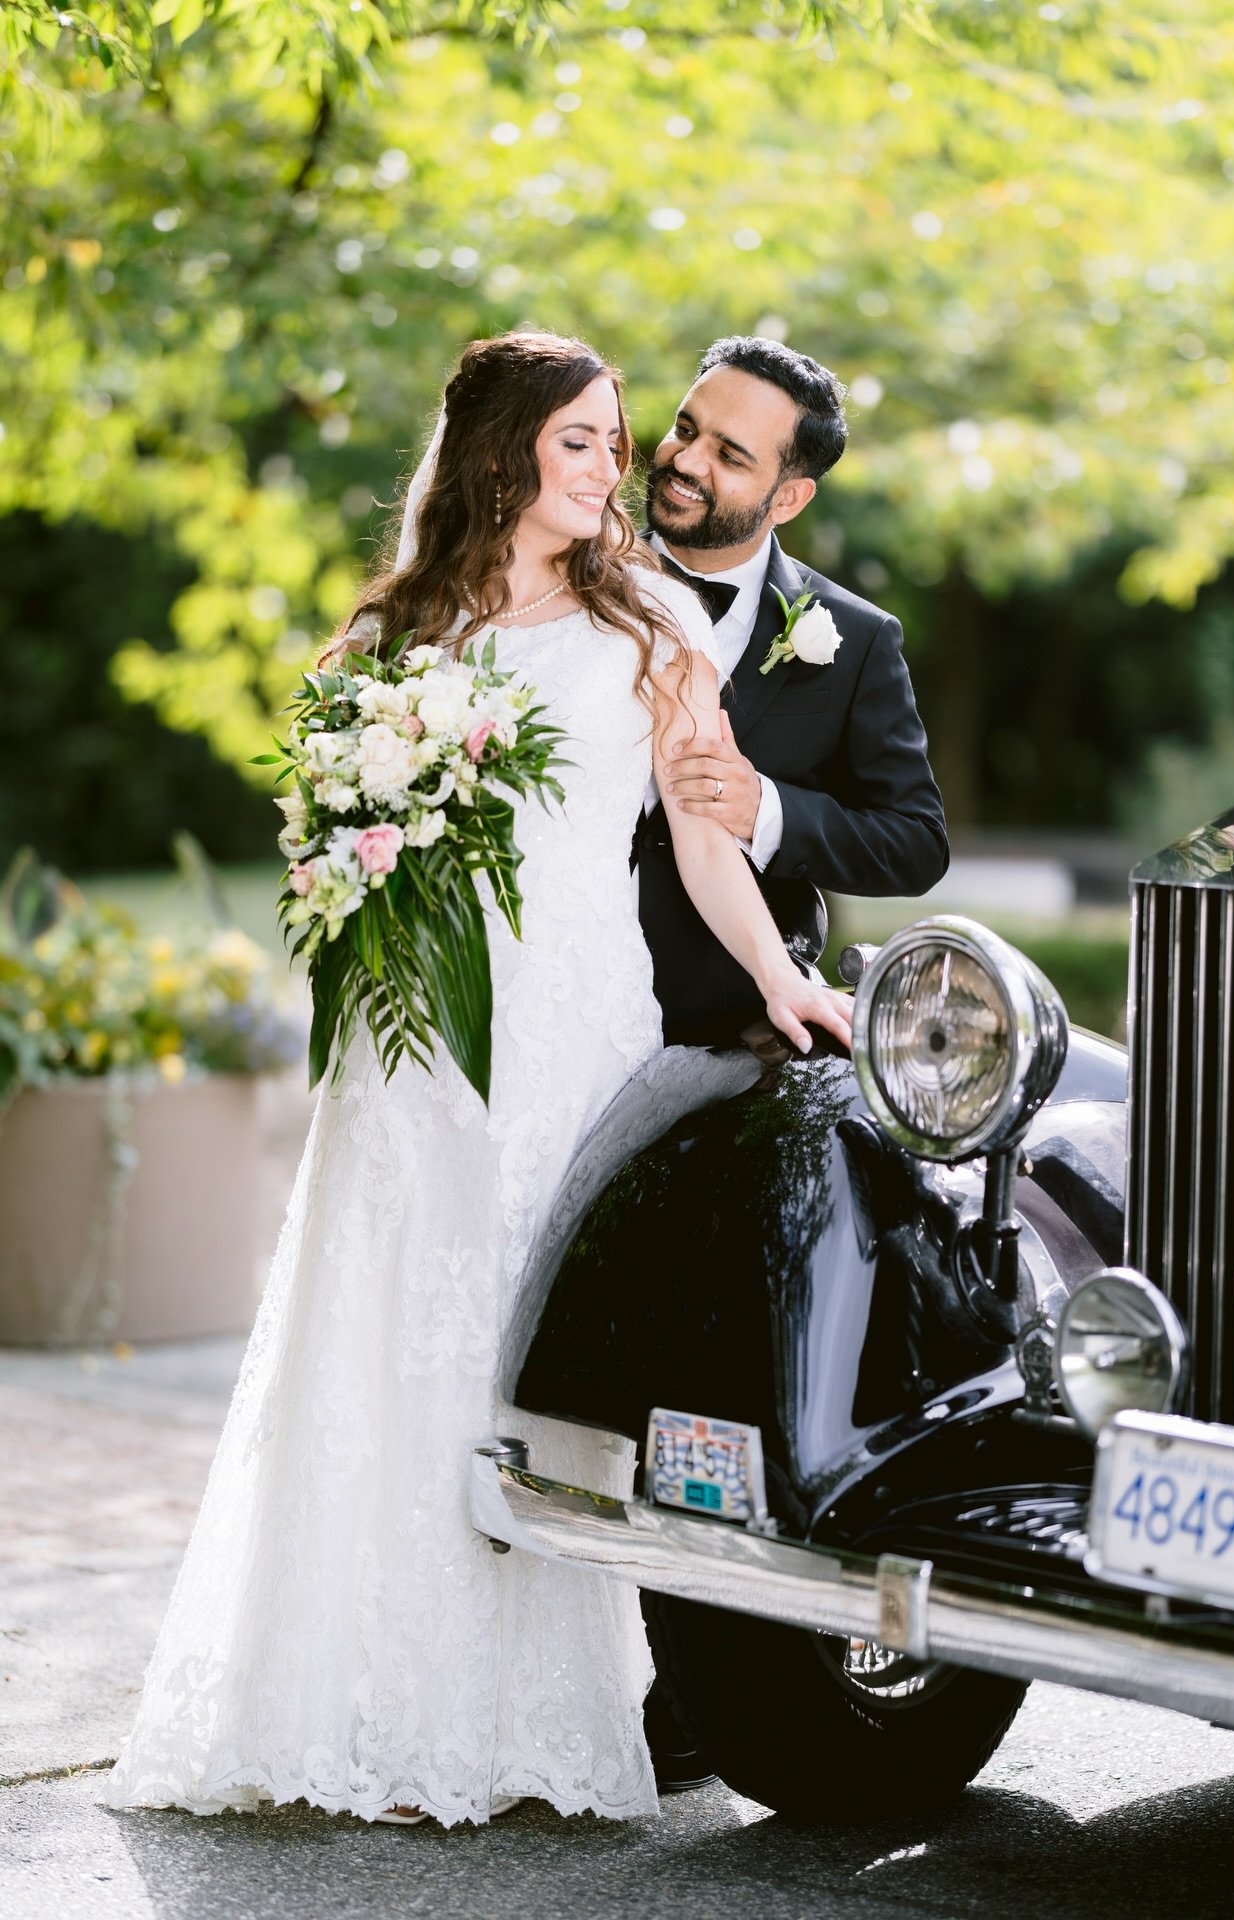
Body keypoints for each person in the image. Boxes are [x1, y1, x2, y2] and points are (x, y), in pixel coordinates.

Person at [103, 331, 852, 1829]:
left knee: (531, 1346)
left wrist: (783, 980)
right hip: (420, 1042)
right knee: (386, 1335)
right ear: (504, 451)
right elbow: (330, 830)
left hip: (573, 1030)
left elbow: (705, 841)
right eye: (582, 440)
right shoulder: (399, 631)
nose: (612, 468)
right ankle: (346, 1699)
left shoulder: (650, 627)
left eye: (614, 440)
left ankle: (531, 1723)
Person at [634, 335, 950, 1049]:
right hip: (551, 998)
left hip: (738, 1034)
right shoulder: (566, 580)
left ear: (790, 498)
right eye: (686, 430)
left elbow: (916, 844)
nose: (685, 462)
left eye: (729, 455)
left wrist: (766, 811)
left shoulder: (858, 639)